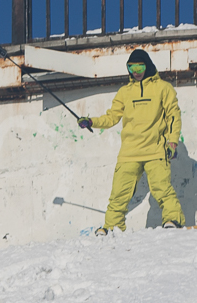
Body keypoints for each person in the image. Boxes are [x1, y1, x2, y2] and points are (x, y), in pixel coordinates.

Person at [77, 48, 185, 234]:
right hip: (129, 153)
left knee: (162, 189)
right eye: (131, 67)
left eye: (139, 66)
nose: (136, 71)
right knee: (119, 194)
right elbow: (111, 117)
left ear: (148, 66)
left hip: (155, 150)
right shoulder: (124, 92)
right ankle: (112, 227)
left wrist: (172, 142)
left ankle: (172, 219)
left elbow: (173, 116)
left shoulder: (163, 88)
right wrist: (91, 121)